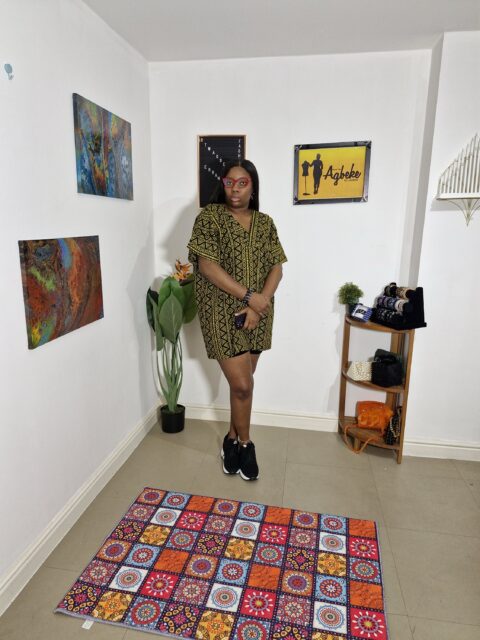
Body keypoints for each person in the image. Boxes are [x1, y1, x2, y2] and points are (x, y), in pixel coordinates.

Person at [187, 160, 287, 480]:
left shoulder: (265, 223)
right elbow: (207, 267)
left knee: (243, 386)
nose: (235, 189)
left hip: (258, 314)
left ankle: (230, 438)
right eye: (229, 182)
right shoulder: (210, 217)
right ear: (223, 184)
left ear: (252, 187)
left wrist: (258, 305)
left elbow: (276, 268)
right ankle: (245, 444)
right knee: (243, 385)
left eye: (242, 183)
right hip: (220, 310)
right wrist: (249, 297)